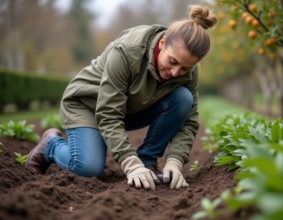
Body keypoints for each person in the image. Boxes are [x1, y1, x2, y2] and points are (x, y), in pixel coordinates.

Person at [25, 5, 217, 191]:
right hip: (87, 105)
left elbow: (189, 120)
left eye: (185, 68)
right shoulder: (127, 52)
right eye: (172, 62)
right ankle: (51, 145)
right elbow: (108, 113)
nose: (176, 72)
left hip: (127, 108)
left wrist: (175, 161)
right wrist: (129, 163)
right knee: (87, 169)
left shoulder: (187, 71)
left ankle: (147, 162)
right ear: (162, 43)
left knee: (183, 98)